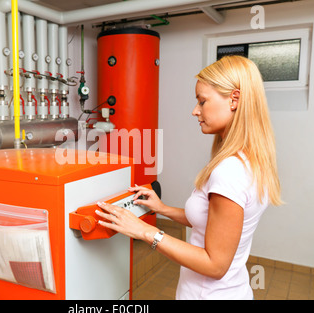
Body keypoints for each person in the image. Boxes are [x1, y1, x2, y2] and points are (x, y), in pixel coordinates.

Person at [95, 55, 282, 300]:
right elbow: (213, 223)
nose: (195, 111)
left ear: (234, 99)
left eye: (202, 101)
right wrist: (162, 209)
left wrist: (144, 231)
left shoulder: (230, 172)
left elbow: (215, 265)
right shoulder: (250, 160)